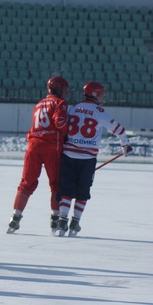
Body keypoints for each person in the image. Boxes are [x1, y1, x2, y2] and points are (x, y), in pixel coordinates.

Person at [56, 81, 133, 237]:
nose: (102, 98)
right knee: (83, 191)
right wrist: (125, 144)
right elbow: (119, 129)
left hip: (69, 156)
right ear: (96, 95)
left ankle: (62, 221)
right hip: (87, 159)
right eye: (101, 95)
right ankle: (75, 222)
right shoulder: (99, 111)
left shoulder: (74, 108)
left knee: (66, 189)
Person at [7, 76, 70, 234]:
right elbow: (59, 122)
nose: (66, 93)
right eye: (65, 89)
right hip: (51, 148)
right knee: (56, 185)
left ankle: (15, 217)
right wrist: (71, 132)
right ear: (58, 89)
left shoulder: (38, 104)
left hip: (33, 146)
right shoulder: (60, 103)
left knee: (26, 184)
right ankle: (55, 219)